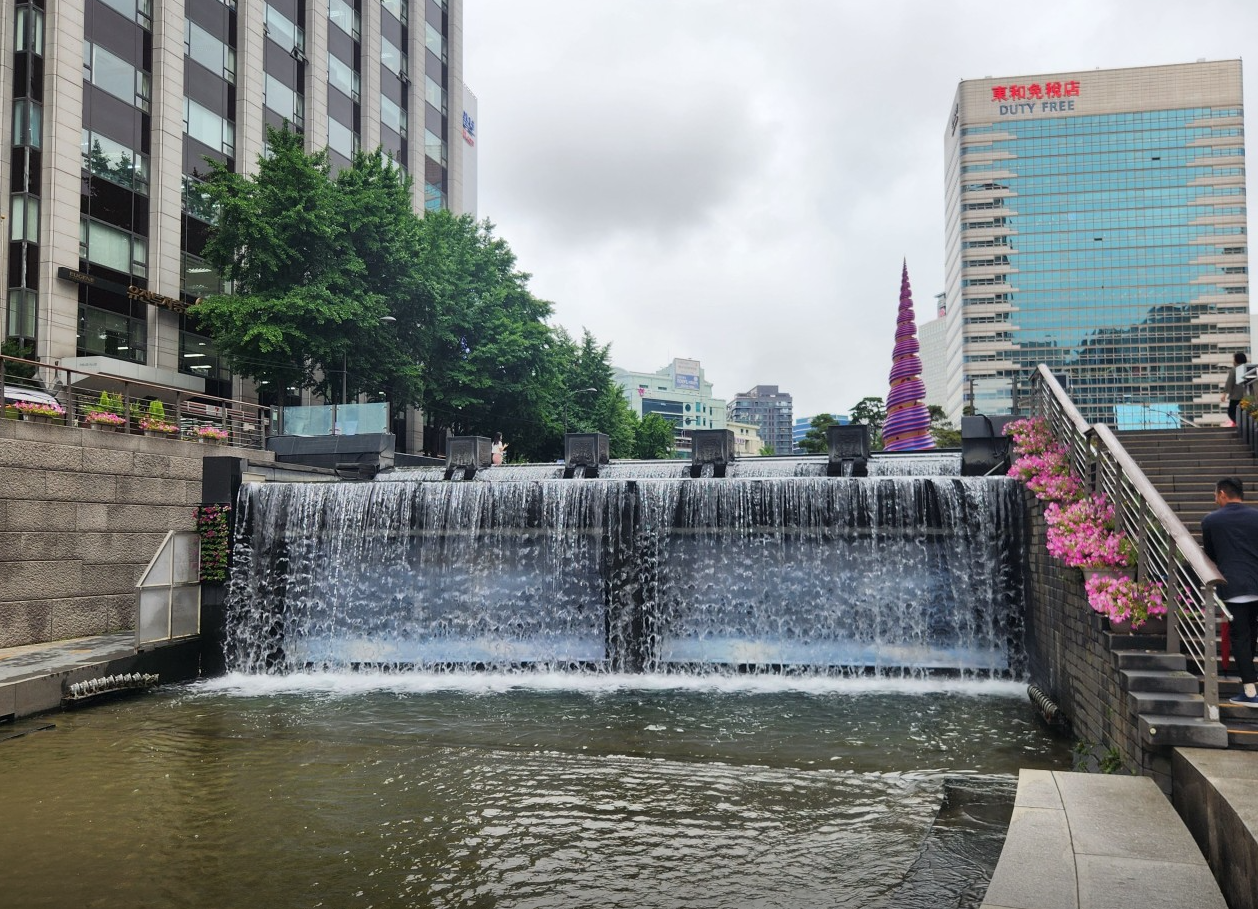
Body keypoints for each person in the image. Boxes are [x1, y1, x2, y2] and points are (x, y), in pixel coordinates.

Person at [1202, 477, 1258, 706]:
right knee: (1250, 634)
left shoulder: (1211, 521)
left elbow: (1211, 555)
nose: (1215, 499)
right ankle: (1251, 686)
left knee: (1240, 637)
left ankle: (1251, 692)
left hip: (1234, 586)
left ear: (1223, 493)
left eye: (1216, 495)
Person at [1221, 352, 1249, 427]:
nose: (1233, 361)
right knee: (1245, 413)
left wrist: (1224, 394)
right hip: (1247, 397)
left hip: (1236, 397)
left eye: (1234, 359)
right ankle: (1244, 425)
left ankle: (1241, 425)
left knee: (1231, 412)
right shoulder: (1248, 369)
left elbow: (1229, 382)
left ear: (1237, 360)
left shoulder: (1234, 370)